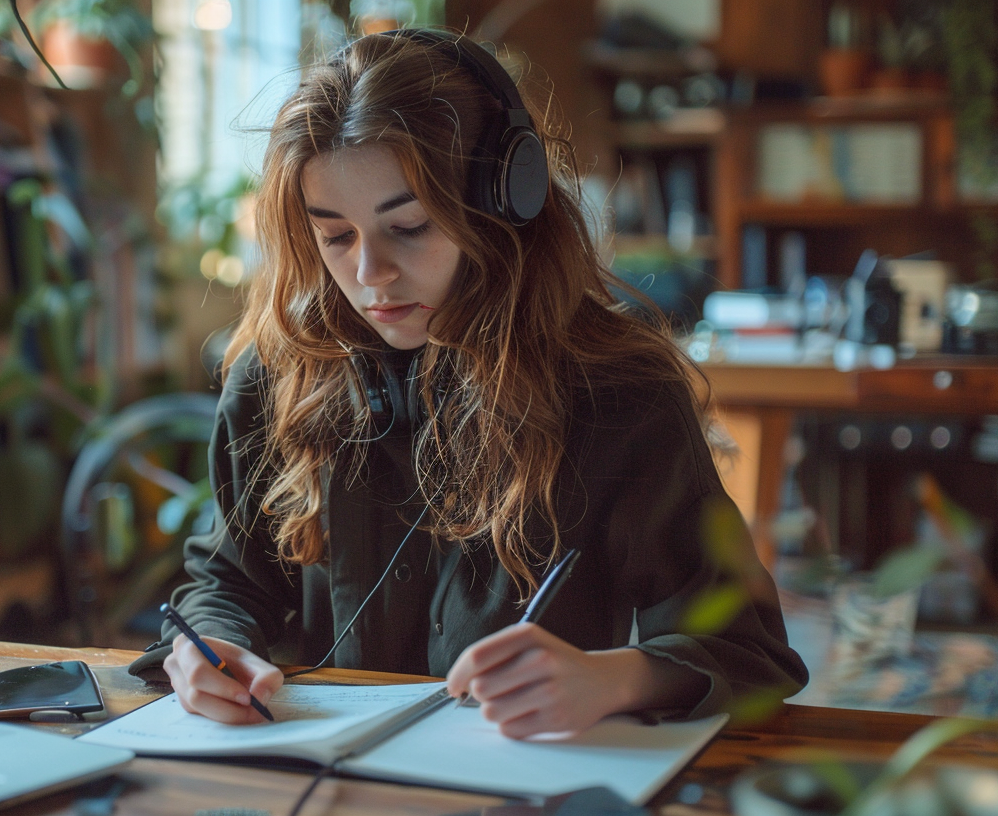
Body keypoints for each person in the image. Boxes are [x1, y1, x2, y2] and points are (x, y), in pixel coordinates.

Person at [127, 28, 807, 738]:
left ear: (505, 199)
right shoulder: (279, 373)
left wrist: (612, 680)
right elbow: (229, 582)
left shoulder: (621, 390)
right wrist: (208, 649)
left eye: (410, 226)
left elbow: (748, 650)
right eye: (336, 236)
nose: (370, 274)